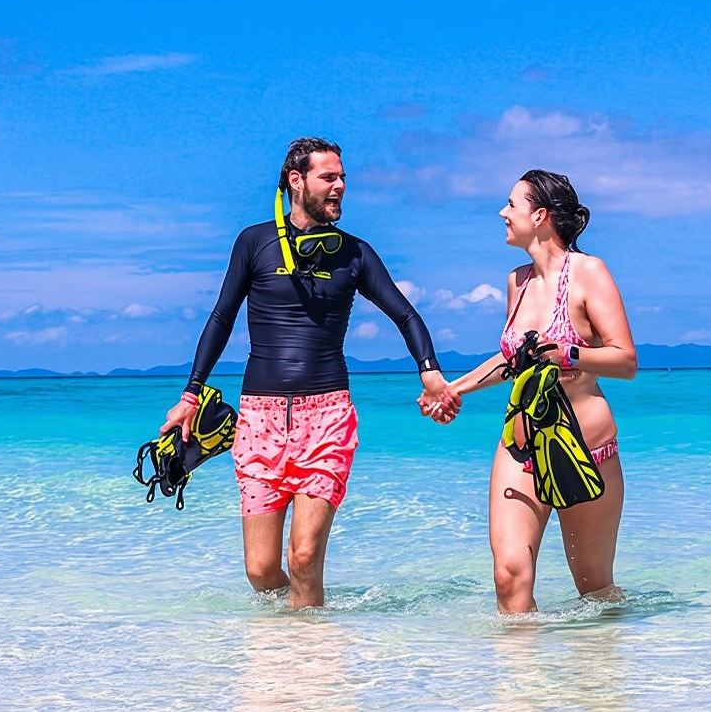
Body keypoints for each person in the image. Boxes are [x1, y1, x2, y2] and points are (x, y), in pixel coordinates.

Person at [161, 137, 459, 609]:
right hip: (259, 418)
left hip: (327, 417)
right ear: (296, 181)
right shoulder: (253, 242)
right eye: (329, 177)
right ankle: (296, 631)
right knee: (261, 570)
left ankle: (312, 669)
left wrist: (430, 372)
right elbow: (221, 318)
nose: (340, 186)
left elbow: (406, 315)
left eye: (342, 177)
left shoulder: (354, 253)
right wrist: (191, 393)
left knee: (302, 558)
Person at [432, 170, 636, 613]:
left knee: (595, 591)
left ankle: (600, 677)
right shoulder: (517, 281)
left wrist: (569, 354)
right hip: (522, 445)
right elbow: (513, 361)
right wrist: (452, 390)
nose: (503, 213)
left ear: (539, 215)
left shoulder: (589, 273)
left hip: (584, 448)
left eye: (512, 204)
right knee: (510, 574)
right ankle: (522, 682)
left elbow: (625, 361)